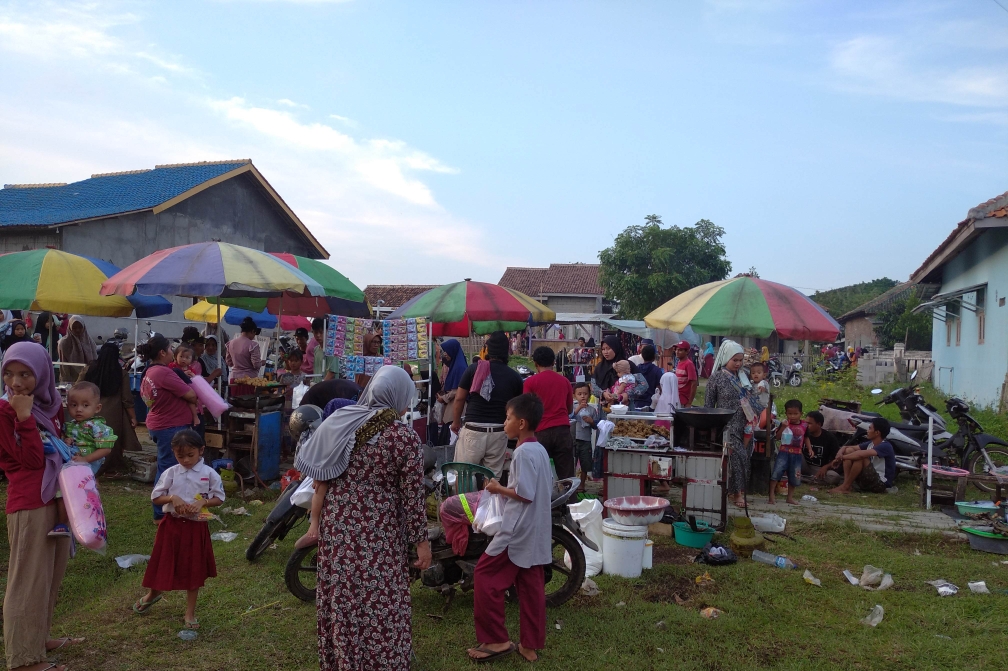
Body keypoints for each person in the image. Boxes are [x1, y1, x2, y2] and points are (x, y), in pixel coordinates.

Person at [294, 366, 431, 670]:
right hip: (379, 532)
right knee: (380, 598)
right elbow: (413, 497)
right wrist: (422, 543)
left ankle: (345, 660)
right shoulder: (403, 438)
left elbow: (318, 471)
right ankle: (381, 661)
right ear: (398, 396)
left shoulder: (342, 421)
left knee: (343, 596)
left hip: (339, 526)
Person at [1, 342, 82, 670]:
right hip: (30, 503)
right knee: (28, 581)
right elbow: (32, 460)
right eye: (8, 373)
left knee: (49, 575)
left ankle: (39, 638)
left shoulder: (50, 406)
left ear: (43, 374)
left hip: (56, 498)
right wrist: (23, 417)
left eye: (25, 374)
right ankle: (24, 659)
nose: (15, 382)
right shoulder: (7, 411)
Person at [467, 393, 552, 663]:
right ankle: (529, 645)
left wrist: (497, 488)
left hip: (517, 529)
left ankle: (496, 639)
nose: (505, 423)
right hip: (536, 528)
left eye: (508, 418)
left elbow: (524, 493)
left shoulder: (523, 452)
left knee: (485, 574)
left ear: (522, 423)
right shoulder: (539, 450)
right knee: (531, 586)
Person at [133, 429, 224, 631]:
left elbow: (219, 498)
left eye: (190, 455)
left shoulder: (209, 474)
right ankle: (153, 593)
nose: (186, 460)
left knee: (194, 568)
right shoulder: (171, 473)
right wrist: (173, 498)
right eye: (180, 456)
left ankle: (190, 612)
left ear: (201, 450)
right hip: (171, 525)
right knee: (162, 561)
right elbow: (156, 497)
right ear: (173, 452)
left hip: (195, 527)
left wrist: (203, 503)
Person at [139, 335, 199, 521]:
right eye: (170, 349)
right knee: (167, 471)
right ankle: (160, 513)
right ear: (162, 353)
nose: (173, 352)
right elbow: (191, 394)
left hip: (161, 424)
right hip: (169, 426)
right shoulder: (163, 373)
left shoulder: (150, 371)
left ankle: (170, 509)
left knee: (166, 467)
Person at [451, 332, 525, 478]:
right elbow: (517, 409)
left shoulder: (474, 369)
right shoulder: (515, 377)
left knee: (464, 476)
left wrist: (455, 422)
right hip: (499, 432)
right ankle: (488, 494)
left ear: (488, 349)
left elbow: (459, 398)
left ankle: (465, 494)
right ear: (507, 350)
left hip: (473, 430)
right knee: (492, 478)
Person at [705, 340, 760, 508]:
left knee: (745, 457)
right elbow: (708, 405)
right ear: (726, 358)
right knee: (738, 457)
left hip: (745, 423)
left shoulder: (743, 377)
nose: (738, 363)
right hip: (727, 425)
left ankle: (735, 491)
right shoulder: (717, 378)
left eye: (740, 360)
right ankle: (737, 494)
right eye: (734, 360)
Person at [81, 342, 140, 473]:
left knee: (89, 439)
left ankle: (90, 464)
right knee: (111, 441)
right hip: (114, 414)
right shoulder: (121, 373)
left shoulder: (89, 369)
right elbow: (127, 399)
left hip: (90, 411)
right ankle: (110, 466)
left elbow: (78, 386)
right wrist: (133, 417)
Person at [523, 346, 575, 478]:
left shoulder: (530, 382)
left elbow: (527, 410)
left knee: (537, 476)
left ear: (535, 364)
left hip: (540, 432)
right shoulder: (565, 381)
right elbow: (569, 409)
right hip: (563, 432)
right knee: (567, 477)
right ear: (553, 362)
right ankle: (569, 493)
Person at [828, 418, 896, 495]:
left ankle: (846, 486)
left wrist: (841, 458)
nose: (867, 431)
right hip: (869, 477)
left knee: (860, 458)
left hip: (881, 483)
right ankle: (846, 485)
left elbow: (860, 454)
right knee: (849, 450)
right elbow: (847, 448)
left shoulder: (886, 446)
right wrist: (840, 453)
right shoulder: (871, 444)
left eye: (870, 428)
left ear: (877, 432)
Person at [769, 400, 813, 505]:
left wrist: (810, 449)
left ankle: (790, 497)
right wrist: (783, 427)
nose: (792, 416)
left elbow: (806, 437)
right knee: (776, 473)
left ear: (801, 414)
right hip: (783, 453)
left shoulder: (804, 425)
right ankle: (771, 495)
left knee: (794, 476)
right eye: (790, 414)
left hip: (797, 454)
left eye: (795, 414)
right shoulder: (784, 424)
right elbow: (777, 437)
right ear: (786, 413)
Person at [433, 339, 467, 446]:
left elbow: (458, 390)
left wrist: (444, 398)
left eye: (446, 351)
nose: (445, 354)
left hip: (456, 407)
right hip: (452, 405)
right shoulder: (455, 365)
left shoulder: (460, 368)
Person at [590, 335, 639, 400]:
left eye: (608, 348)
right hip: (605, 404)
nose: (605, 352)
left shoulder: (627, 365)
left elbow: (643, 385)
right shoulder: (599, 367)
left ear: (616, 348)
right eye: (603, 349)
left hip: (624, 404)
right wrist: (603, 393)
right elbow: (593, 386)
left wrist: (627, 394)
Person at [570, 382, 598, 480]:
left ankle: (582, 484)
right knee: (571, 463)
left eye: (585, 394)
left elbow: (596, 426)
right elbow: (570, 417)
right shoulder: (572, 407)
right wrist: (579, 408)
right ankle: (572, 483)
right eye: (579, 394)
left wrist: (591, 422)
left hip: (586, 440)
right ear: (574, 396)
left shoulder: (592, 410)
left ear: (589, 395)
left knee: (585, 463)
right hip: (573, 439)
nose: (582, 396)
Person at [57, 315, 97, 383]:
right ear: (70, 328)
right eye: (74, 328)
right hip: (72, 379)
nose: (78, 330)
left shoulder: (90, 341)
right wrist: (66, 382)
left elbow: (94, 360)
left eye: (80, 327)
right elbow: (63, 365)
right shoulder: (64, 343)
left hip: (88, 377)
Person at [804, 411, 840, 479]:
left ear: (819, 424)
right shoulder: (803, 434)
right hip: (803, 465)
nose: (806, 426)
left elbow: (836, 459)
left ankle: (808, 477)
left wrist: (825, 467)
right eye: (806, 423)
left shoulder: (830, 438)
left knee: (834, 477)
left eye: (809, 423)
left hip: (818, 468)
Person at [225, 316, 262, 382]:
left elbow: (229, 363)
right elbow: (256, 365)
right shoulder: (253, 345)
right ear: (252, 331)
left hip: (234, 378)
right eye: (254, 334)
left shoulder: (230, 343)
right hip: (249, 380)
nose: (254, 337)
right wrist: (262, 362)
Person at [311, 317, 340, 382]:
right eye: (316, 332)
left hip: (328, 386)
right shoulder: (316, 349)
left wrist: (321, 385)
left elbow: (332, 372)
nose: (318, 335)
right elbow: (316, 370)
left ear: (327, 331)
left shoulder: (332, 350)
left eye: (321, 332)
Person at [674, 340, 698, 407]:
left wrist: (689, 402)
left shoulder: (688, 364)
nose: (677, 352)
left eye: (680, 350)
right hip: (677, 397)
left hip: (684, 400)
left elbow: (694, 383)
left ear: (687, 351)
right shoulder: (679, 362)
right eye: (676, 349)